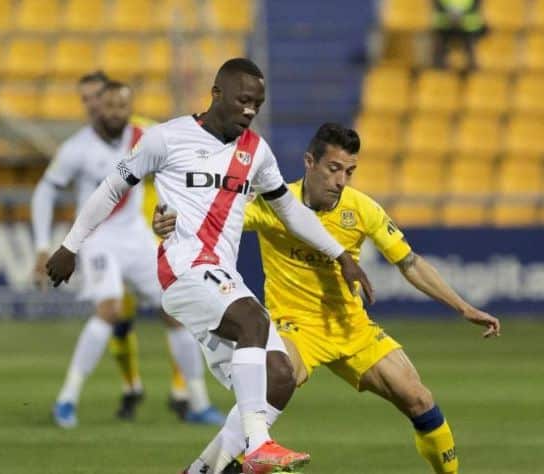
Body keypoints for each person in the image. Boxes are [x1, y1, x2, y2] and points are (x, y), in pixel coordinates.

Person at [44, 58, 374, 473]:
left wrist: (341, 255)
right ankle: (258, 446)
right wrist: (69, 246)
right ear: (217, 94)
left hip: (221, 277)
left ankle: (202, 470)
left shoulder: (256, 152)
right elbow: (110, 189)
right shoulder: (164, 138)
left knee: (281, 377)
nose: (251, 110)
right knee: (253, 320)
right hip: (182, 269)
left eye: (258, 103)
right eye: (243, 100)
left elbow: (290, 211)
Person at [154, 123, 501, 474]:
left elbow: (409, 262)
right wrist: (169, 221)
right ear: (310, 162)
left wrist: (464, 307)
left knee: (419, 399)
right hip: (294, 327)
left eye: (349, 171)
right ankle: (213, 465)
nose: (341, 180)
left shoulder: (361, 209)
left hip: (352, 328)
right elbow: (212, 216)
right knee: (274, 380)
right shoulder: (275, 204)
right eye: (334, 169)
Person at [32, 80, 223, 427]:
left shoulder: (143, 134)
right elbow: (45, 191)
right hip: (98, 239)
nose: (116, 113)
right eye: (109, 106)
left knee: (176, 308)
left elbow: (190, 142)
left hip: (135, 236)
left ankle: (197, 401)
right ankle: (67, 399)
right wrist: (43, 246)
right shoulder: (78, 148)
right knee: (110, 309)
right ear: (97, 108)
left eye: (123, 106)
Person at [432, 0, 486, 69]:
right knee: (441, 52)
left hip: (468, 25)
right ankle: (440, 72)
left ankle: (472, 71)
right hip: (445, 25)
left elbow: (477, 3)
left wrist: (459, 14)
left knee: (470, 52)